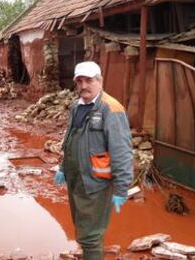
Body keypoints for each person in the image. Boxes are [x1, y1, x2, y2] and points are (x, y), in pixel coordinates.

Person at [54, 61, 133, 259]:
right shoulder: (76, 107)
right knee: (83, 228)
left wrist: (122, 188)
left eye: (89, 80)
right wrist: (63, 168)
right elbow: (70, 140)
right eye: (79, 81)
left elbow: (122, 151)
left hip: (96, 183)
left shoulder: (111, 109)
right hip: (76, 180)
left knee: (90, 235)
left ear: (100, 80)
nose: (83, 85)